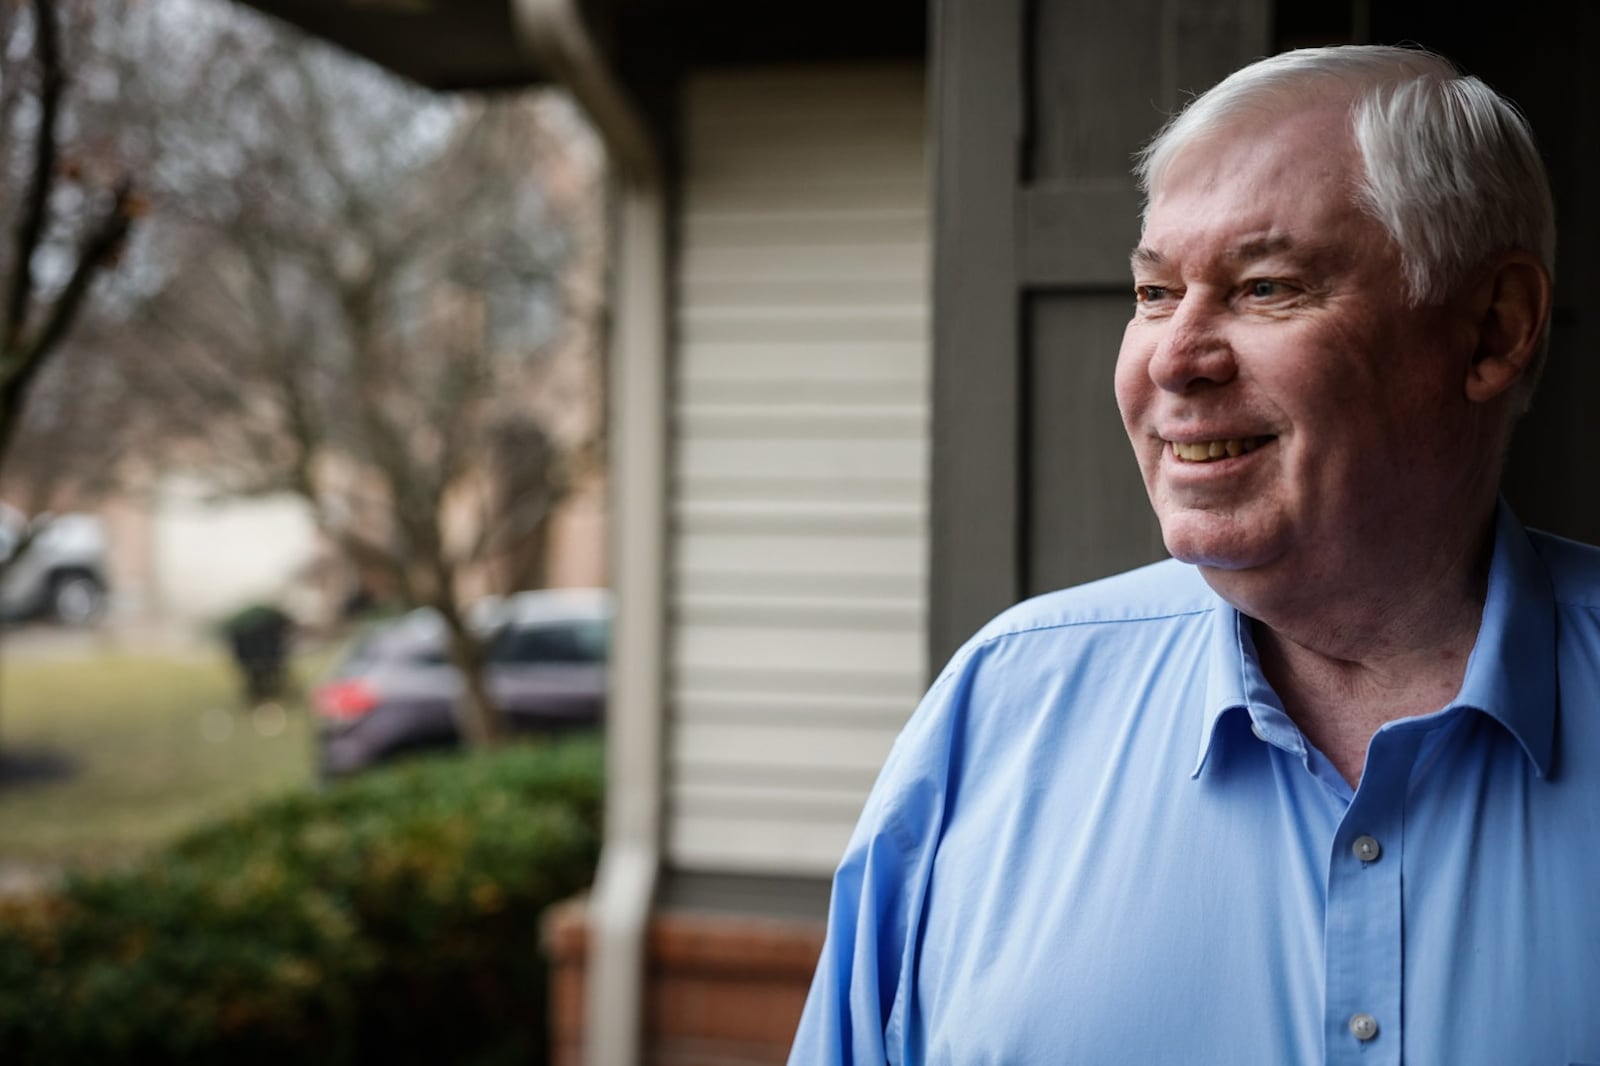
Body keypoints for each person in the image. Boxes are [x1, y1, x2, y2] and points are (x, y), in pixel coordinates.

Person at [789, 45, 1600, 1064]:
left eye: (1264, 287)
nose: (1173, 357)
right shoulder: (998, 710)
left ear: (1491, 330)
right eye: (1154, 292)